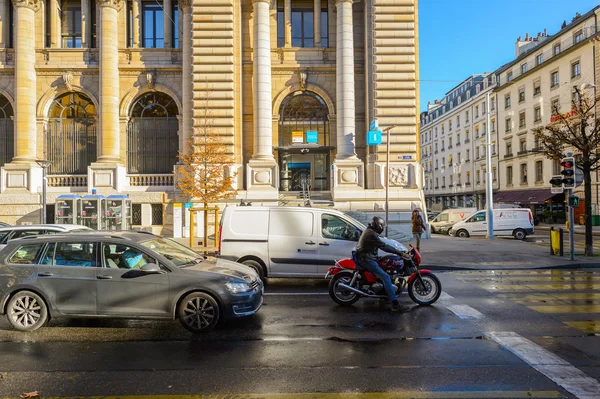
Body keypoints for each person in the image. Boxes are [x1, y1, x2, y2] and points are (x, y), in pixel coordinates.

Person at [356, 216, 409, 312]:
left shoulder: (370, 231)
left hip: (368, 257)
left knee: (385, 265)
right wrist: (400, 253)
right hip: (367, 260)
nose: (383, 227)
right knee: (386, 277)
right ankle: (395, 304)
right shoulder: (371, 234)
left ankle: (384, 293)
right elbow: (383, 246)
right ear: (378, 225)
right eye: (382, 225)